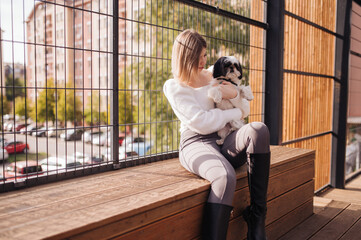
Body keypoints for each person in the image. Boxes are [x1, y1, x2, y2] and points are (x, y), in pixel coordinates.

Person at [163, 29, 271, 240]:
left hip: (227, 136)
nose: (204, 60)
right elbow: (202, 123)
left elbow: (246, 108)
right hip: (196, 142)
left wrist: (235, 96)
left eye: (204, 54)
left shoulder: (215, 72)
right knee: (224, 177)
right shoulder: (174, 86)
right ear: (185, 57)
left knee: (259, 129)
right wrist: (235, 110)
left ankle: (257, 219)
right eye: (198, 56)